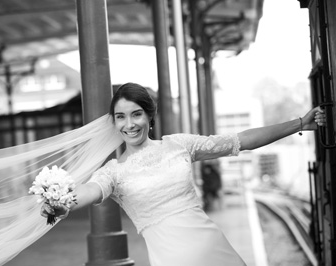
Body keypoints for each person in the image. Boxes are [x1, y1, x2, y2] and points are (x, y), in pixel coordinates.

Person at [41, 82, 326, 266]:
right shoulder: (113, 173)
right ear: (114, 122)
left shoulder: (179, 145)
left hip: (214, 249)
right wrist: (61, 201)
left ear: (150, 116)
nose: (130, 124)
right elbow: (88, 192)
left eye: (136, 114)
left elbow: (242, 140)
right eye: (121, 116)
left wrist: (300, 122)